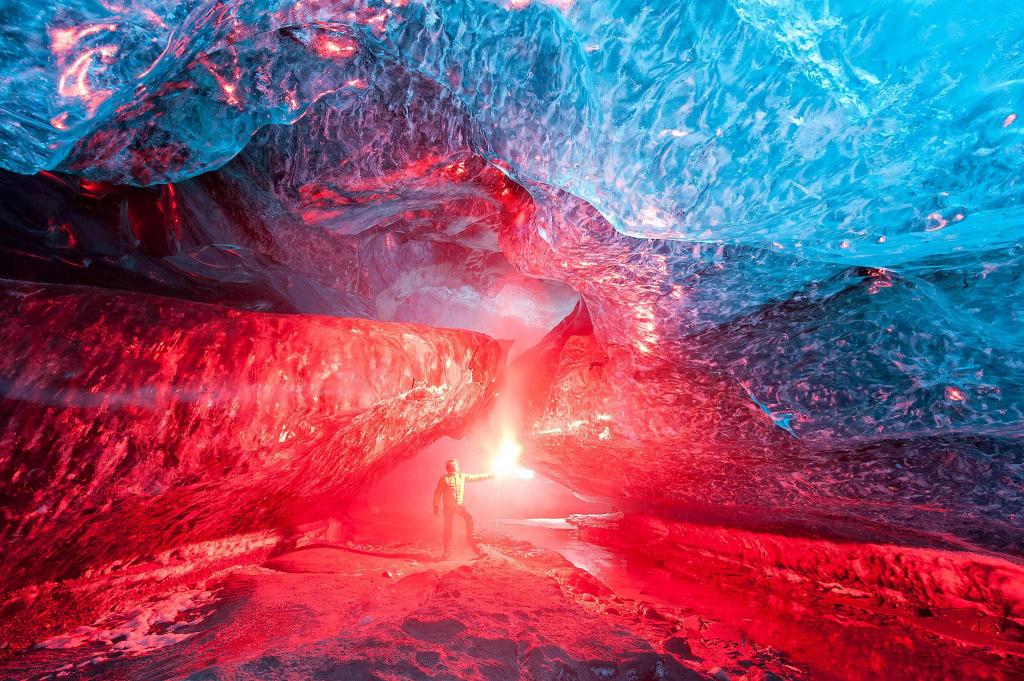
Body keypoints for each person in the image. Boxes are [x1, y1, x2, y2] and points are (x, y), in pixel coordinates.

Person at [432, 458, 494, 560]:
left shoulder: (462, 476)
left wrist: (490, 476)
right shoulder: (444, 479)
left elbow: (477, 477)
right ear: (448, 468)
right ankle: (447, 553)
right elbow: (438, 493)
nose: (454, 467)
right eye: (452, 465)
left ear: (457, 467)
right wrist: (435, 506)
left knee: (469, 517)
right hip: (448, 508)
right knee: (448, 530)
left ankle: (474, 543)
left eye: (455, 465)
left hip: (459, 506)